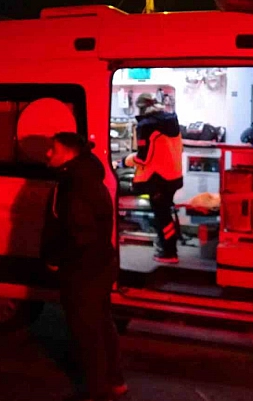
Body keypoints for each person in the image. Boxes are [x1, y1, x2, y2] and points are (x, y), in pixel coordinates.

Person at [43, 132, 126, 401]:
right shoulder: (89, 177)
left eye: (53, 149)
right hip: (101, 262)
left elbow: (77, 230)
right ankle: (115, 380)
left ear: (69, 153)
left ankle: (98, 391)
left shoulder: (72, 184)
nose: (48, 154)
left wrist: (55, 259)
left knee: (87, 332)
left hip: (82, 268)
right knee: (102, 323)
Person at [118, 93, 183, 263]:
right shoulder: (171, 120)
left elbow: (143, 158)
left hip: (157, 180)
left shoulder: (146, 125)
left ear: (141, 107)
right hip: (173, 176)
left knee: (162, 216)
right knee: (165, 213)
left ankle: (169, 253)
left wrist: (124, 161)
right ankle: (168, 247)